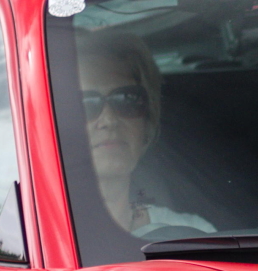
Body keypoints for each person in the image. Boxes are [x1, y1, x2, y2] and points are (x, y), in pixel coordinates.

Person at [77, 32, 214, 237]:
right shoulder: (26, 239)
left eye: (127, 99)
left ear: (146, 121)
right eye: (86, 104)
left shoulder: (194, 235)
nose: (109, 120)